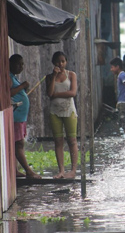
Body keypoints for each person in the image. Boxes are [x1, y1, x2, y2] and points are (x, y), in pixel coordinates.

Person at [45, 51, 78, 179]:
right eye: (58, 61)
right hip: (55, 112)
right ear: (54, 63)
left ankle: (73, 170)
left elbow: (73, 92)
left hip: (69, 110)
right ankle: (61, 171)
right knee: (58, 141)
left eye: (63, 61)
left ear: (66, 62)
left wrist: (56, 95)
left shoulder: (71, 75)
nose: (61, 64)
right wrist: (54, 76)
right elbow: (49, 93)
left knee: (72, 140)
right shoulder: (49, 77)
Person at [9, 54, 42, 179]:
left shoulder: (13, 77)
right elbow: (8, 92)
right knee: (19, 144)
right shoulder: (8, 77)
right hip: (16, 116)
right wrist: (22, 86)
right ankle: (28, 171)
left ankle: (15, 170)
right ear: (10, 63)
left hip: (20, 118)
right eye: (18, 63)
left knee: (16, 144)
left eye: (22, 64)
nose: (21, 66)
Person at [110, 57, 125, 145]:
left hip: (124, 102)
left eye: (112, 67)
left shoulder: (122, 75)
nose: (111, 69)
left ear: (117, 67)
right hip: (123, 102)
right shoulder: (122, 75)